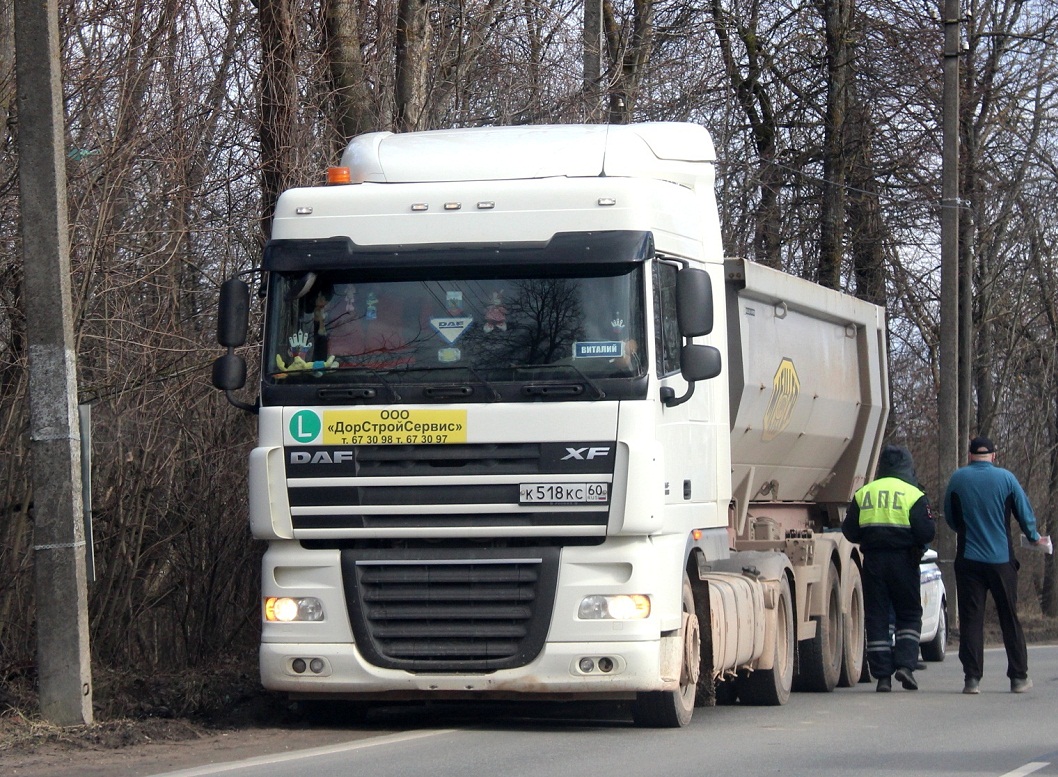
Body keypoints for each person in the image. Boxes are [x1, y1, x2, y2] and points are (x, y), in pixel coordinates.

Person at [943, 435, 1047, 694]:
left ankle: (972, 679)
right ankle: (1018, 677)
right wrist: (1034, 537)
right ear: (993, 456)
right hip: (1001, 561)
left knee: (971, 619)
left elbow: (950, 516)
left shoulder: (958, 479)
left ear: (969, 456)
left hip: (969, 560)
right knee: (1009, 617)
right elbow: (1024, 513)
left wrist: (967, 531)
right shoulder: (1006, 479)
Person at [843, 445, 936, 692]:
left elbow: (849, 531)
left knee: (877, 617)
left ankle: (882, 677)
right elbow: (927, 532)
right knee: (909, 613)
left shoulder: (864, 493)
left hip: (873, 562)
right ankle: (905, 666)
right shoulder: (914, 494)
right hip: (904, 561)